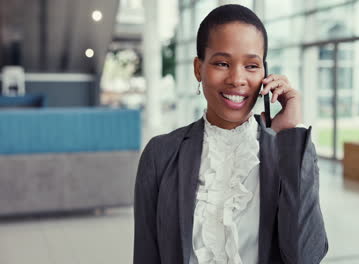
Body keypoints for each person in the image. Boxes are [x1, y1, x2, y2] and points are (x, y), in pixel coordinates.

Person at [133, 4, 328, 264]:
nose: (237, 79)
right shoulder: (160, 155)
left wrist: (290, 135)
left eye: (251, 66)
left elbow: (306, 256)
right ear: (198, 69)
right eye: (222, 63)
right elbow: (147, 255)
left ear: (265, 73)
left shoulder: (285, 151)